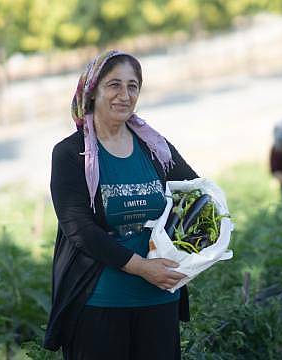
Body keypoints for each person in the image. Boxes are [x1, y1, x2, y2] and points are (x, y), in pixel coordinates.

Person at [43, 50, 198, 360]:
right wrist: (143, 268)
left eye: (133, 86)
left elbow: (195, 197)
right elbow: (80, 230)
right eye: (114, 85)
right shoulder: (71, 154)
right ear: (92, 90)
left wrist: (196, 254)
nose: (124, 95)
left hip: (158, 300)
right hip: (99, 304)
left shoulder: (155, 148)